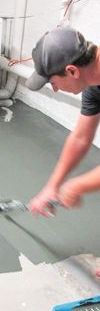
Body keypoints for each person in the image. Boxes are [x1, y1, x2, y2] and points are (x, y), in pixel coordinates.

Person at [25, 26, 100, 217]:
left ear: (72, 71)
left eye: (53, 82)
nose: (55, 89)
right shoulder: (94, 86)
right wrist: (52, 186)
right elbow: (81, 138)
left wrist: (78, 186)